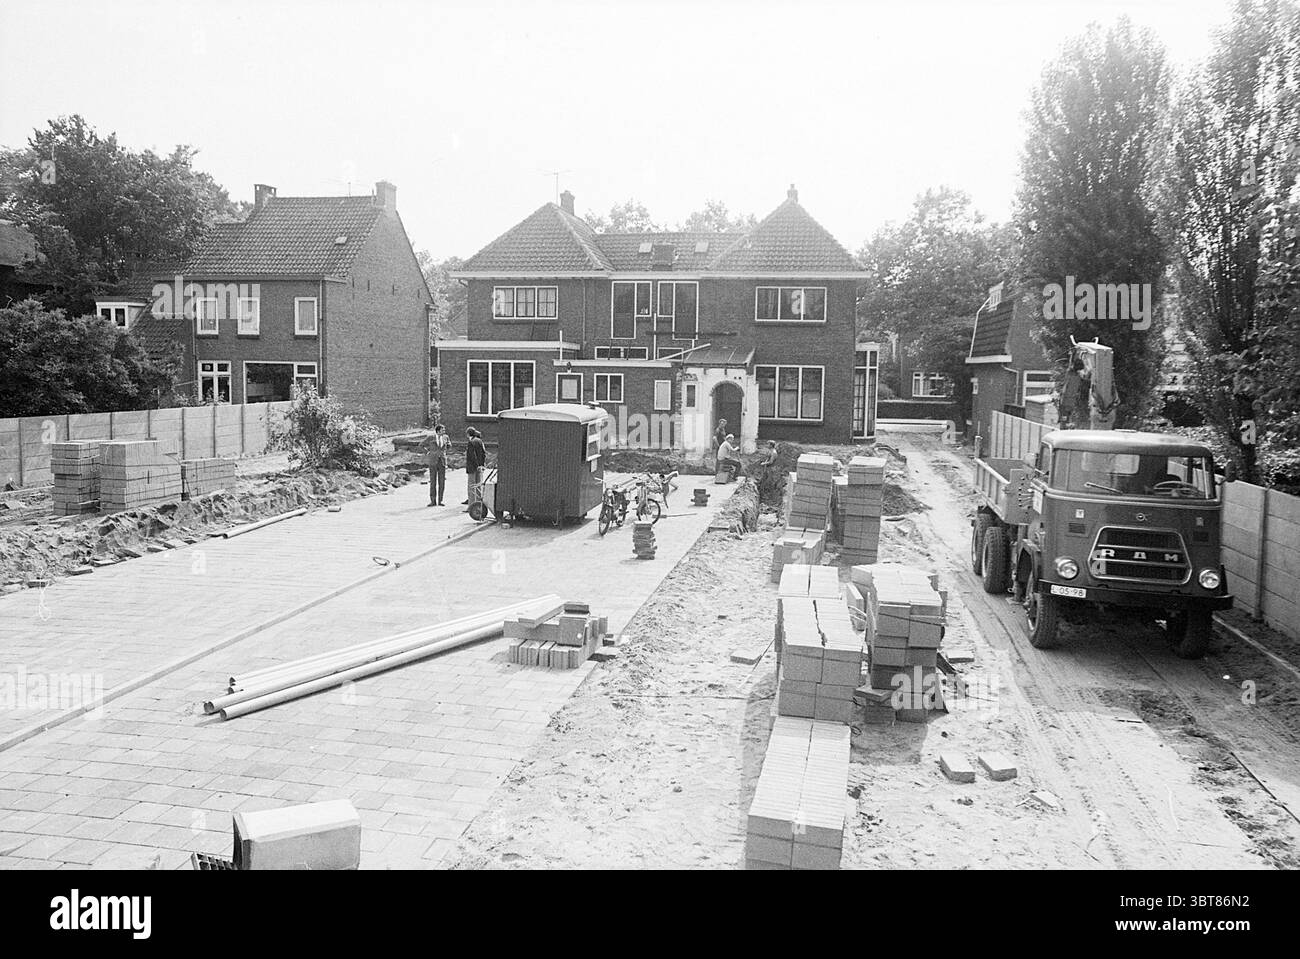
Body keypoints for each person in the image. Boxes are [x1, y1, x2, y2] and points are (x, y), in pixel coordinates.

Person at [464, 427, 487, 511]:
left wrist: (476, 465)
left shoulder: (471, 442)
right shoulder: (480, 441)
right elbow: (484, 453)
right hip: (480, 467)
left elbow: (472, 456)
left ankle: (471, 506)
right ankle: (479, 504)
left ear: (468, 434)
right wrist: (481, 465)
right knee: (478, 486)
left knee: (471, 486)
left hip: (472, 467)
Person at [426, 424, 449, 506]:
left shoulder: (446, 437)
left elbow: (449, 445)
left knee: (442, 482)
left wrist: (445, 451)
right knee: (433, 482)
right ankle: (433, 500)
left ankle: (440, 500)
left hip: (442, 461)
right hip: (433, 461)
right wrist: (429, 452)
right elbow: (421, 445)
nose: (444, 431)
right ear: (438, 431)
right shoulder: (431, 438)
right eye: (443, 430)